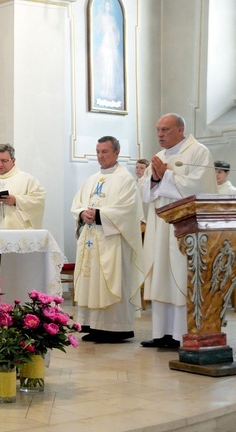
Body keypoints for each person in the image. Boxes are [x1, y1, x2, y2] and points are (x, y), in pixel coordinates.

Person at [140, 113, 217, 349]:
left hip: (184, 229)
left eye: (165, 129)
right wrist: (153, 178)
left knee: (179, 278)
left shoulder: (198, 152)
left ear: (180, 130)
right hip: (160, 228)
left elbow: (199, 186)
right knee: (161, 276)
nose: (160, 134)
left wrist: (166, 175)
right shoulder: (160, 157)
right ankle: (162, 333)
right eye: (158, 130)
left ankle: (181, 334)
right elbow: (144, 190)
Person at [72, 136, 144, 343]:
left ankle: (114, 328)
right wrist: (81, 214)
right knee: (91, 280)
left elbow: (128, 211)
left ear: (116, 153)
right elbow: (77, 203)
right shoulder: (92, 179)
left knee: (109, 280)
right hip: (91, 239)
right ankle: (94, 326)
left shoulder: (125, 179)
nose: (100, 156)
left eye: (105, 152)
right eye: (98, 152)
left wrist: (99, 214)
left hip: (112, 241)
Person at [0, 143, 46, 230]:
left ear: (13, 160)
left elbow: (39, 201)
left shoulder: (27, 180)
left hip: (18, 233)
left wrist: (16, 201)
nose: (0, 164)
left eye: (4, 161)